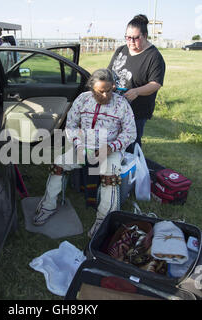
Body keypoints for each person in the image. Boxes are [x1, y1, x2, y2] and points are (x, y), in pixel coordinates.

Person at [33, 69, 137, 238]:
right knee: (58, 164)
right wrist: (78, 145)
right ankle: (48, 205)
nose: (105, 95)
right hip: (83, 146)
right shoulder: (82, 100)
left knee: (109, 175)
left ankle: (104, 219)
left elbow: (130, 133)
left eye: (109, 90)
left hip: (110, 148)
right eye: (100, 91)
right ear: (91, 88)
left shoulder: (121, 105)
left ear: (113, 87)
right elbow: (71, 126)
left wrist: (111, 147)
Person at [108, 14, 166, 152]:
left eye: (136, 38)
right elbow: (109, 71)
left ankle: (132, 169)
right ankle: (112, 171)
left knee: (131, 144)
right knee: (113, 140)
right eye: (128, 37)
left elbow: (155, 83)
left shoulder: (154, 57)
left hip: (137, 110)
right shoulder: (121, 50)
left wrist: (136, 91)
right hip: (116, 106)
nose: (131, 41)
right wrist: (110, 83)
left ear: (145, 36)